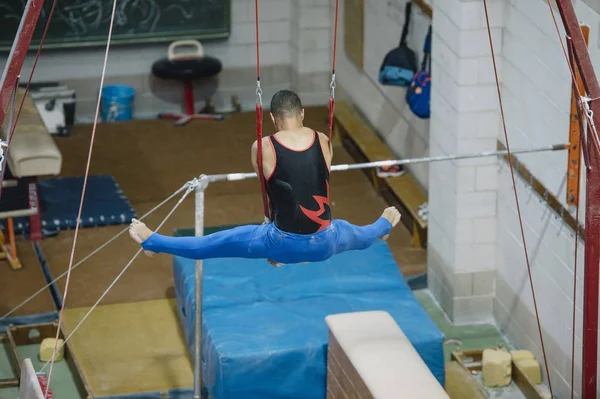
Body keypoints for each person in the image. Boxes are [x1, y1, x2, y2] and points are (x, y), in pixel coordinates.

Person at [129, 89, 401, 266]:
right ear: (303, 114)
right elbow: (317, 180)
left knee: (215, 244)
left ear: (273, 118)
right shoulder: (323, 139)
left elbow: (273, 191)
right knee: (361, 235)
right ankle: (384, 226)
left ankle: (153, 243)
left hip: (281, 241)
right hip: (325, 242)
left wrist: (276, 243)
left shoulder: (263, 147)